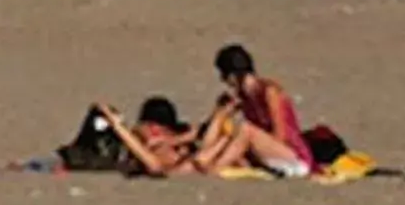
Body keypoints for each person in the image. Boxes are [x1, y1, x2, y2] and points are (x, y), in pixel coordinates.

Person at [197, 43, 315, 177]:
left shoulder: (269, 92)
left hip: (294, 157)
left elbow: (281, 136)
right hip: (269, 155)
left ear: (233, 75)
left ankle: (216, 168)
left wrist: (252, 144)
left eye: (224, 76)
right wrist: (221, 112)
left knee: (246, 130)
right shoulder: (244, 97)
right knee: (232, 132)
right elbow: (210, 139)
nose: (224, 81)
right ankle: (211, 163)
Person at [92, 96, 201, 177]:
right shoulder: (133, 145)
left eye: (161, 126)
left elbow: (155, 165)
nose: (155, 129)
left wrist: (118, 126)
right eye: (150, 125)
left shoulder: (183, 149)